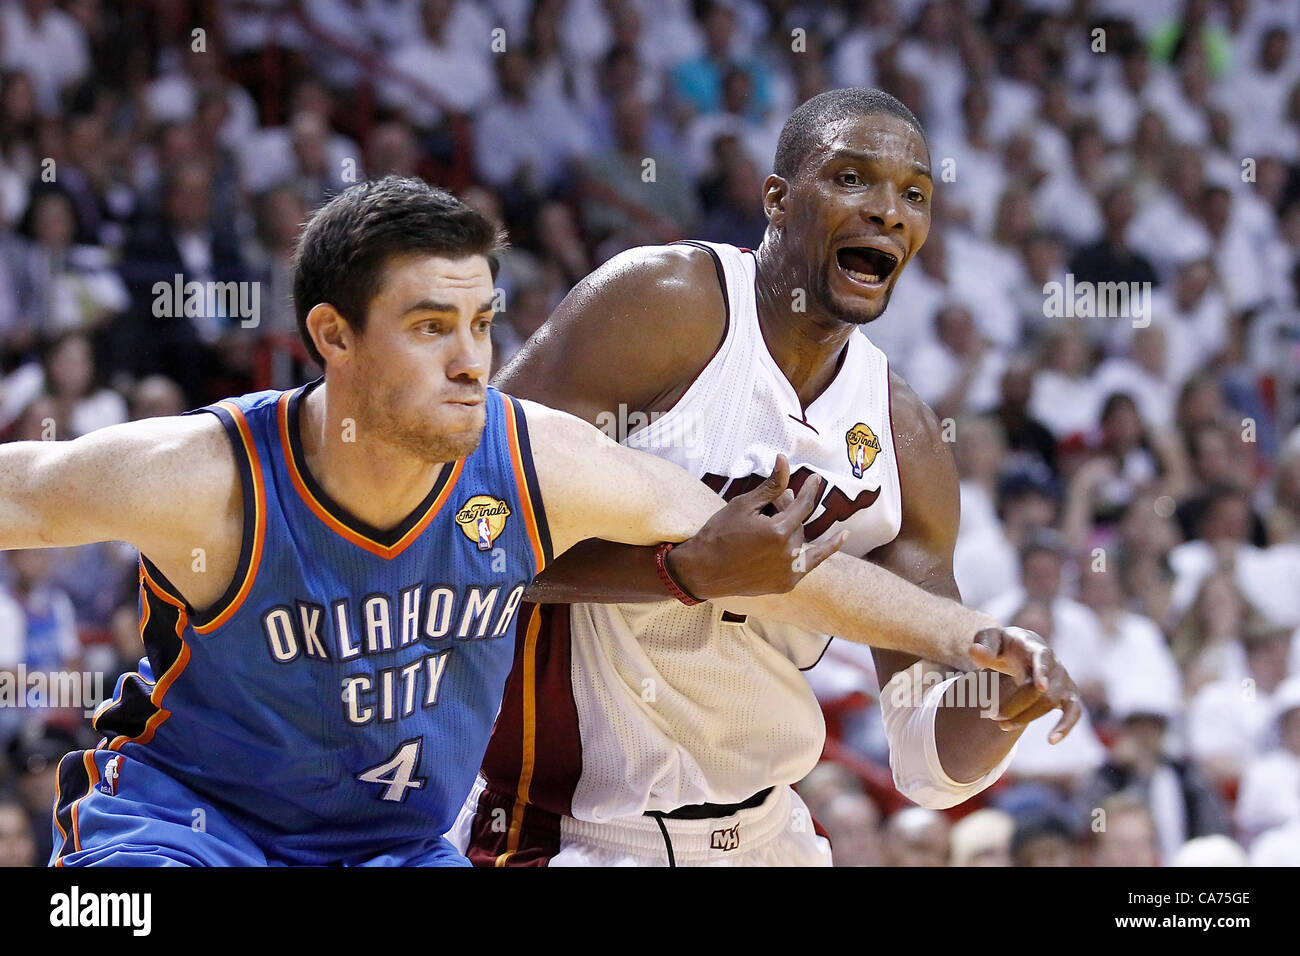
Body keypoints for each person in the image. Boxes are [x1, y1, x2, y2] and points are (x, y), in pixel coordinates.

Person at [0, 177, 1059, 868]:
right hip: (187, 830)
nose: (470, 357)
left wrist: (965, 638)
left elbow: (784, 569)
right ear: (333, 335)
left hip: (395, 846)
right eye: (429, 327)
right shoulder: (208, 474)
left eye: (479, 322)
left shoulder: (527, 457)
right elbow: (22, 487)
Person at [455, 89, 1080, 867]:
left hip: (767, 836)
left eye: (913, 194)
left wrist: (1003, 707)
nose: (888, 211)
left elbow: (927, 763)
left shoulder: (904, 436)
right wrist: (678, 573)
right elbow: (462, 526)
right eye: (853, 178)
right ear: (777, 201)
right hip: (573, 828)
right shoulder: (665, 305)